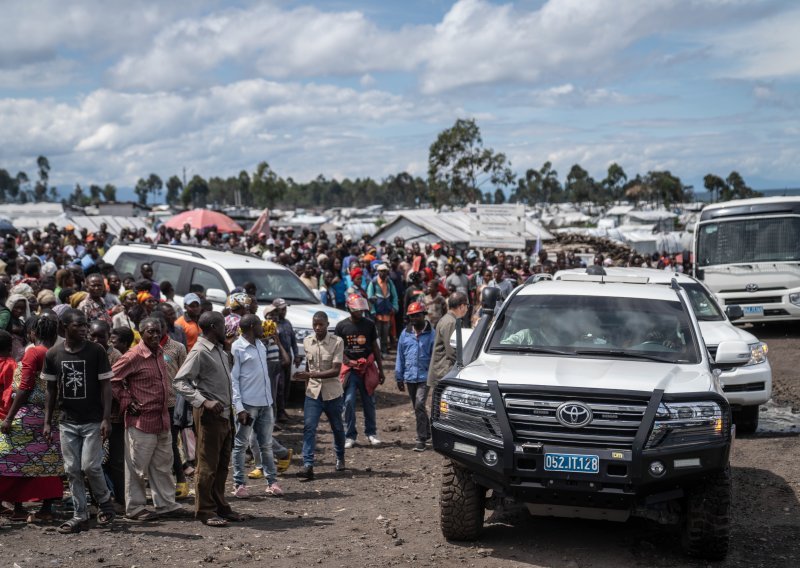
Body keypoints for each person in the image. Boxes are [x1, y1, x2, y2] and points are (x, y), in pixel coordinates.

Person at [42, 308, 116, 533]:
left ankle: (104, 501)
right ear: (64, 327)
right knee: (72, 469)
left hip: (93, 420)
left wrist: (106, 418)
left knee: (90, 466)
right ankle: (79, 515)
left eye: (85, 325)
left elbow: (106, 386)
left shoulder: (96, 351)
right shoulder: (53, 354)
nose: (84, 329)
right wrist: (47, 421)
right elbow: (51, 389)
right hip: (67, 420)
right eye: (78, 325)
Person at [111, 317, 189, 521]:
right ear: (141, 333)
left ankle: (166, 504)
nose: (155, 335)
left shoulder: (161, 352)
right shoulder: (133, 356)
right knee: (137, 467)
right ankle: (135, 508)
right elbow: (112, 380)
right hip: (141, 421)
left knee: (163, 464)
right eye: (150, 332)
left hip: (162, 417)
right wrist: (127, 400)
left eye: (157, 331)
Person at [173, 311, 245, 527]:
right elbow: (179, 382)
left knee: (222, 464)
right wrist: (203, 401)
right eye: (223, 325)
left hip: (224, 415)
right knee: (207, 465)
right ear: (214, 326)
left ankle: (220, 505)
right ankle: (205, 510)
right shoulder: (199, 351)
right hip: (209, 415)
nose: (227, 329)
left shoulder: (220, 351)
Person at [0, 317, 63, 523]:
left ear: (33, 333)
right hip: (52, 415)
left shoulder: (34, 352)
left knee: (10, 457)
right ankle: (45, 508)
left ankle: (17, 506)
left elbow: (25, 386)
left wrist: (9, 418)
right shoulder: (59, 352)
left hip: (30, 415)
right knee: (48, 461)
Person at [230, 314, 282, 498]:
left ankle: (272, 482)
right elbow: (233, 380)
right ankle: (239, 484)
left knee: (266, 445)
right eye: (260, 325)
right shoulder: (237, 347)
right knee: (241, 445)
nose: (263, 328)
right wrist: (239, 407)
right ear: (252, 326)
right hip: (248, 405)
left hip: (265, 403)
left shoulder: (260, 345)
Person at [295, 311, 345, 480]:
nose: (317, 327)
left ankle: (340, 457)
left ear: (327, 324)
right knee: (309, 428)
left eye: (321, 324)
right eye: (315, 324)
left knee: (337, 428)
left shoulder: (337, 342)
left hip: (332, 393)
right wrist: (306, 387)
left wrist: (310, 376)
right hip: (313, 393)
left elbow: (336, 370)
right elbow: (308, 368)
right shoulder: (308, 341)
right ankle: (308, 465)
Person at [335, 294, 385, 448]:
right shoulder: (341, 326)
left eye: (361, 310)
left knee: (369, 401)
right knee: (348, 401)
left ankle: (371, 433)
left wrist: (381, 370)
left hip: (367, 369)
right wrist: (346, 361)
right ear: (349, 309)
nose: (360, 312)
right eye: (357, 310)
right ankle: (350, 435)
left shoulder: (369, 325)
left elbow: (375, 348)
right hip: (350, 370)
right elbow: (338, 348)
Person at [395, 302, 435, 452]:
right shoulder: (405, 334)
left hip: (425, 376)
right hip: (409, 377)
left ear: (423, 315)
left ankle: (421, 439)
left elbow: (435, 357)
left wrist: (434, 375)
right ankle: (428, 431)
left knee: (419, 404)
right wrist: (399, 377)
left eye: (417, 315)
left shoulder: (432, 334)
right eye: (411, 316)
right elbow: (400, 356)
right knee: (418, 407)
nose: (414, 319)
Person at [427, 292, 469, 390]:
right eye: (467, 305)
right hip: (444, 372)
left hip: (443, 371)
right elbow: (452, 351)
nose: (467, 308)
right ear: (462, 306)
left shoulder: (449, 319)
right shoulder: (451, 322)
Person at [272, 298, 300, 423]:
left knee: (287, 386)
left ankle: (282, 410)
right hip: (278, 359)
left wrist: (297, 355)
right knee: (279, 386)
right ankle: (278, 412)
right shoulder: (272, 324)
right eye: (281, 309)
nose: (284, 311)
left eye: (285, 309)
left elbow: (293, 341)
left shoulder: (287, 323)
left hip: (288, 358)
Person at [367, 264, 398, 355]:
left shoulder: (389, 282)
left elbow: (394, 296)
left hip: (387, 312)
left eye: (385, 271)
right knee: (377, 333)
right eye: (381, 271)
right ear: (378, 272)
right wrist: (372, 311)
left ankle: (384, 350)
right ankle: (378, 351)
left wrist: (395, 307)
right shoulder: (373, 282)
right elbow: (370, 298)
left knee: (385, 333)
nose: (383, 273)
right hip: (377, 312)